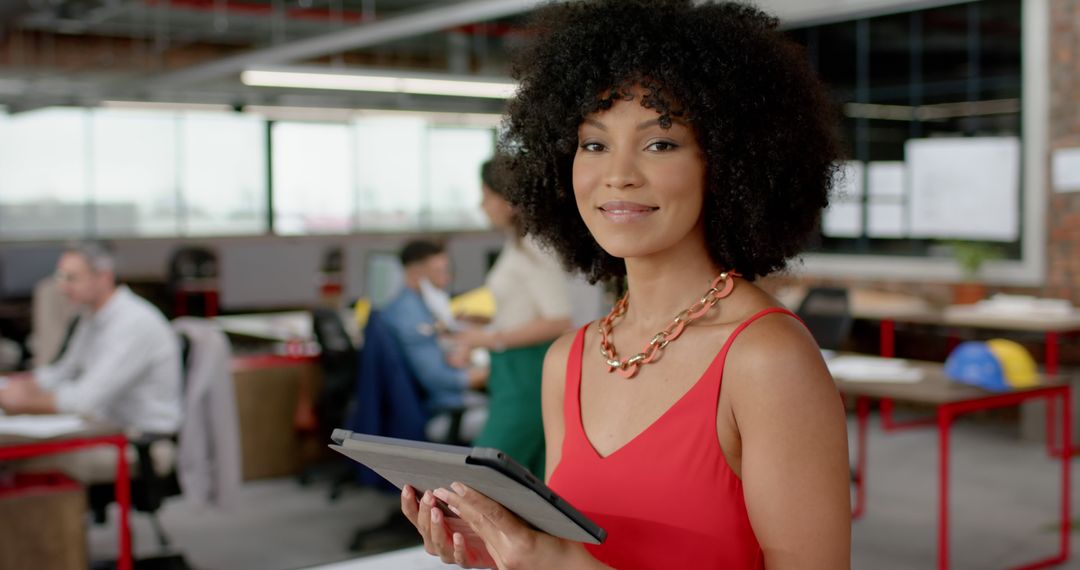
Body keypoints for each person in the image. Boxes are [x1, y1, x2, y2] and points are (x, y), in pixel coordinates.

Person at [402, 1, 851, 569]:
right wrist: (502, 551)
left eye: (659, 143)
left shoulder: (766, 359)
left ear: (729, 162)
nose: (619, 173)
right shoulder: (567, 359)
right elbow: (584, 554)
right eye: (593, 143)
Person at [0, 242, 182, 482]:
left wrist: (23, 402)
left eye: (72, 278)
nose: (63, 287)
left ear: (103, 277)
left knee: (21, 460)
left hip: (136, 438)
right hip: (101, 427)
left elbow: (85, 399)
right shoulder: (91, 316)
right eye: (61, 277)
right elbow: (62, 372)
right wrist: (22, 387)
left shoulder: (133, 324)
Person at [449, 157, 573, 478]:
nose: (481, 204)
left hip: (528, 371)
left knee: (486, 471)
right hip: (511, 368)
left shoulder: (535, 248)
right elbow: (524, 307)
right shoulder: (517, 245)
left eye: (486, 195)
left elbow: (558, 320)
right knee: (525, 473)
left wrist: (487, 338)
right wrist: (482, 320)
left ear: (508, 199)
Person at [381, 239, 488, 442]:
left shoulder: (422, 305)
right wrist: (491, 374)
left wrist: (461, 346)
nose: (446, 278)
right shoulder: (410, 314)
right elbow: (440, 379)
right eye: (439, 271)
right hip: (448, 408)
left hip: (454, 402)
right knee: (530, 415)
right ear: (416, 272)